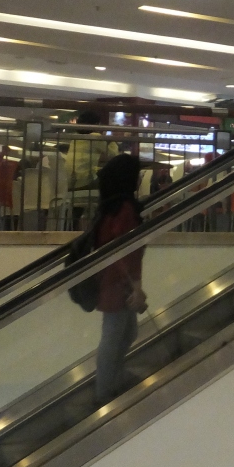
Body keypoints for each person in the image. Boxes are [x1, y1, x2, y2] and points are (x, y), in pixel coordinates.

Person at [91, 154, 147, 404]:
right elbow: (125, 249)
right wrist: (135, 286)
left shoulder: (110, 206)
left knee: (126, 332)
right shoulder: (125, 209)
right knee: (114, 335)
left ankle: (114, 380)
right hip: (118, 282)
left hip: (112, 279)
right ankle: (104, 391)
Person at [65, 111, 118, 228]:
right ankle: (106, 223)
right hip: (85, 182)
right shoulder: (95, 137)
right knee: (113, 187)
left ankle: (74, 226)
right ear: (95, 125)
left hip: (70, 182)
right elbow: (113, 154)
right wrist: (112, 139)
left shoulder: (75, 137)